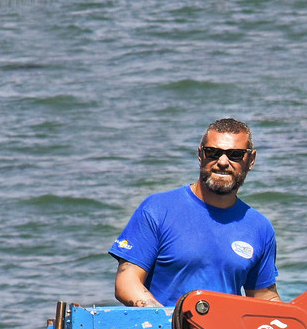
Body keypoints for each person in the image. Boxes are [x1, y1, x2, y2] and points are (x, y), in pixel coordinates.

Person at [111, 119, 280, 308]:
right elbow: (127, 281)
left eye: (235, 155)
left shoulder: (259, 227)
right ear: (201, 155)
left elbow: (264, 297)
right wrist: (168, 320)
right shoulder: (157, 209)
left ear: (251, 160)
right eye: (213, 153)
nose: (223, 162)